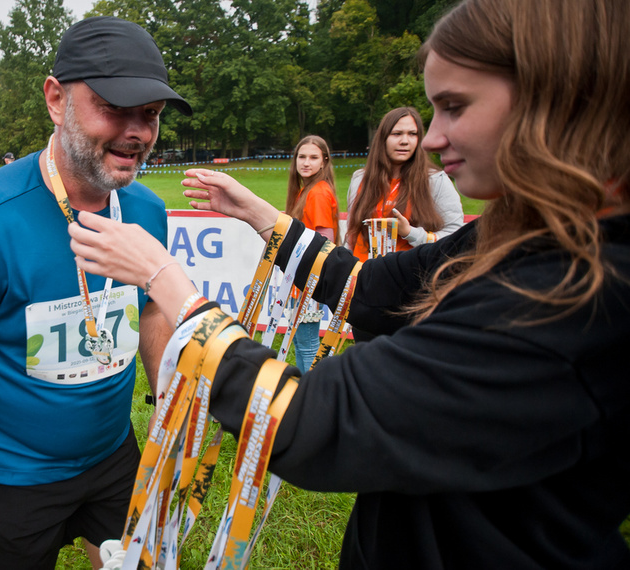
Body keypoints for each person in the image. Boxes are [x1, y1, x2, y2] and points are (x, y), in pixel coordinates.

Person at [68, 0, 630, 567]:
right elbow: (372, 288)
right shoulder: (522, 231)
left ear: (557, 98)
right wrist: (264, 217)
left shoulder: (576, 294)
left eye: (455, 107)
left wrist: (165, 280)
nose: (433, 138)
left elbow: (307, 421)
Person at [0, 16, 192, 570]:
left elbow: (149, 311)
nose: (137, 132)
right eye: (115, 108)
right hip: (11, 476)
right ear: (57, 99)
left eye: (149, 115)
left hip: (114, 456)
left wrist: (168, 405)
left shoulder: (145, 211)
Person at [345, 106, 463, 261]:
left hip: (411, 278)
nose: (405, 141)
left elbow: (455, 238)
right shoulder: (360, 179)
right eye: (397, 134)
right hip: (364, 277)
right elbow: (352, 235)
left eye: (412, 134)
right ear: (383, 139)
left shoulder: (435, 180)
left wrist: (409, 233)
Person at [284, 135, 340, 372]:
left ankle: (312, 399)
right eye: (302, 156)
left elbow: (325, 243)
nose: (306, 163)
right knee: (300, 341)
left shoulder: (317, 192)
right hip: (302, 279)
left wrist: (310, 281)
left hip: (309, 280)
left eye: (313, 157)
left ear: (324, 162)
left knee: (307, 345)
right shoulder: (305, 190)